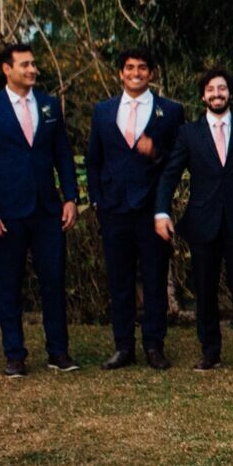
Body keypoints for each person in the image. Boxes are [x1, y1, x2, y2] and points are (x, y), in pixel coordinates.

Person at [0, 42, 80, 376]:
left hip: (47, 210)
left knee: (54, 282)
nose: (33, 70)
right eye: (25, 65)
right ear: (7, 69)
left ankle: (58, 351)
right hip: (6, 211)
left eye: (34, 64)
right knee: (10, 284)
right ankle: (14, 354)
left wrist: (71, 197)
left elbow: (63, 153)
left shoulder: (49, 106)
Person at [85, 49, 184, 370]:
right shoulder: (102, 111)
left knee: (154, 279)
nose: (136, 73)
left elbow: (175, 161)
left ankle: (154, 346)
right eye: (130, 68)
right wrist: (98, 201)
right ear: (121, 74)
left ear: (151, 74)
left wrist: (155, 151)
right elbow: (94, 159)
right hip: (113, 210)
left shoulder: (170, 111)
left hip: (151, 210)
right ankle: (123, 346)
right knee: (120, 280)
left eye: (143, 68)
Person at [154, 70, 233, 370]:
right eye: (211, 89)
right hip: (202, 222)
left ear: (229, 93)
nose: (216, 94)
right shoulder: (189, 133)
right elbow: (170, 174)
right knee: (205, 289)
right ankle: (210, 350)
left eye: (222, 88)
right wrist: (161, 212)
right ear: (203, 96)